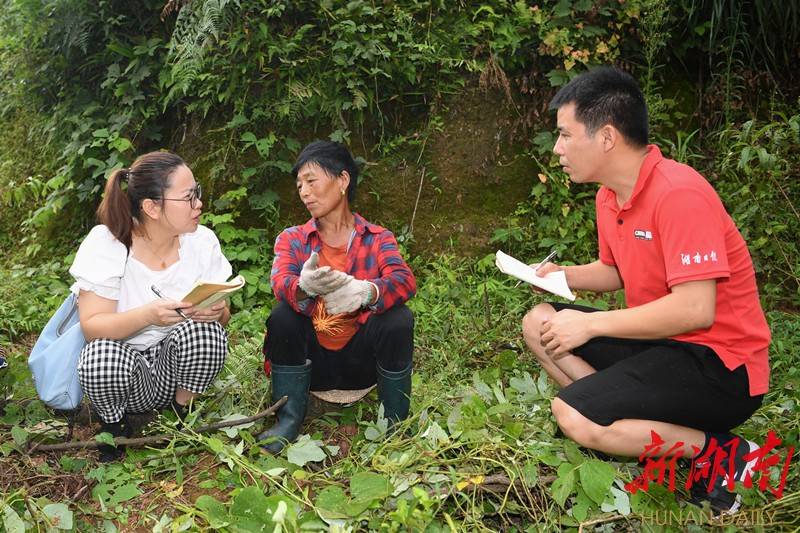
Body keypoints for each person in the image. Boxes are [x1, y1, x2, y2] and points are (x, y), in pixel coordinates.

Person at [521, 67, 770, 514]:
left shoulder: (678, 194)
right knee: (540, 322)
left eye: (564, 135)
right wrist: (562, 274)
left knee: (572, 413)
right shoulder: (609, 196)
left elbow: (697, 309)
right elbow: (615, 270)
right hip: (662, 346)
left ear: (607, 137)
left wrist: (591, 324)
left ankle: (723, 452)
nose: (556, 149)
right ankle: (623, 420)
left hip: (721, 367)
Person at [71, 151, 232, 461]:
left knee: (208, 332)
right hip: (128, 372)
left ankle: (182, 410)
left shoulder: (202, 241)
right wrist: (148, 315)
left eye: (197, 192)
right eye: (189, 197)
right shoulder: (108, 243)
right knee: (99, 355)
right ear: (151, 207)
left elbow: (224, 317)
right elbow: (92, 326)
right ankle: (114, 426)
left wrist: (215, 312)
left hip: (174, 370)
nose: (199, 203)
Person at [259, 140, 416, 453]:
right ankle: (288, 421)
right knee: (282, 316)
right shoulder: (293, 238)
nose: (303, 191)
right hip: (313, 363)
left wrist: (366, 291)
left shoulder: (377, 238)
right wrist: (305, 287)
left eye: (311, 181)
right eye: (299, 184)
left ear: (343, 180)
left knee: (399, 318)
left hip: (362, 363)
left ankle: (395, 424)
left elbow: (403, 280)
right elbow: (281, 282)